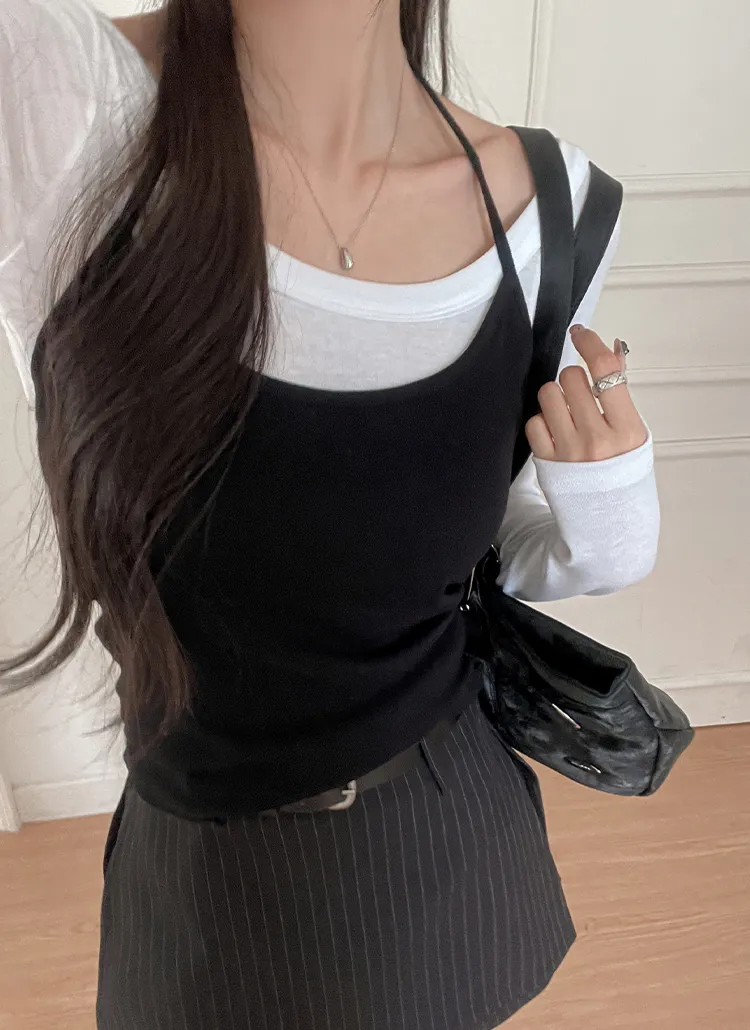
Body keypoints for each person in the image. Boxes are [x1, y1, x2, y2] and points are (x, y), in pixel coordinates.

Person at [0, 0, 660, 1027]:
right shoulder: (56, 96)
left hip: (446, 836)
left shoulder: (553, 207)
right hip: (206, 877)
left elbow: (478, 555)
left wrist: (611, 512)